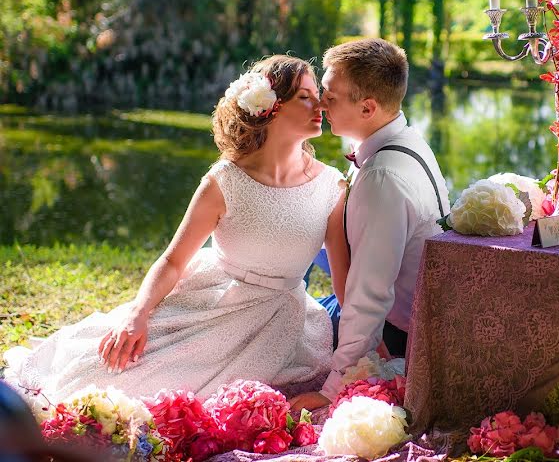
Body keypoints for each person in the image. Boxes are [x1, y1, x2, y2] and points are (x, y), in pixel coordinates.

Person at [4, 55, 349, 407]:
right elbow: (172, 261)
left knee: (223, 403)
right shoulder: (224, 181)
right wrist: (137, 315)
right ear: (269, 108)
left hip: (281, 324)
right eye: (304, 96)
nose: (319, 103)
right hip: (211, 301)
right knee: (109, 373)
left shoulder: (331, 187)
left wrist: (366, 349)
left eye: (316, 94)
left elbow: (344, 284)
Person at [289, 38, 449, 411]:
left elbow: (369, 298)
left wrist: (332, 391)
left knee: (278, 333)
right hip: (394, 317)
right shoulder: (406, 140)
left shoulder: (383, 178)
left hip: (392, 338)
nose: (320, 103)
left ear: (368, 107)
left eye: (330, 95)